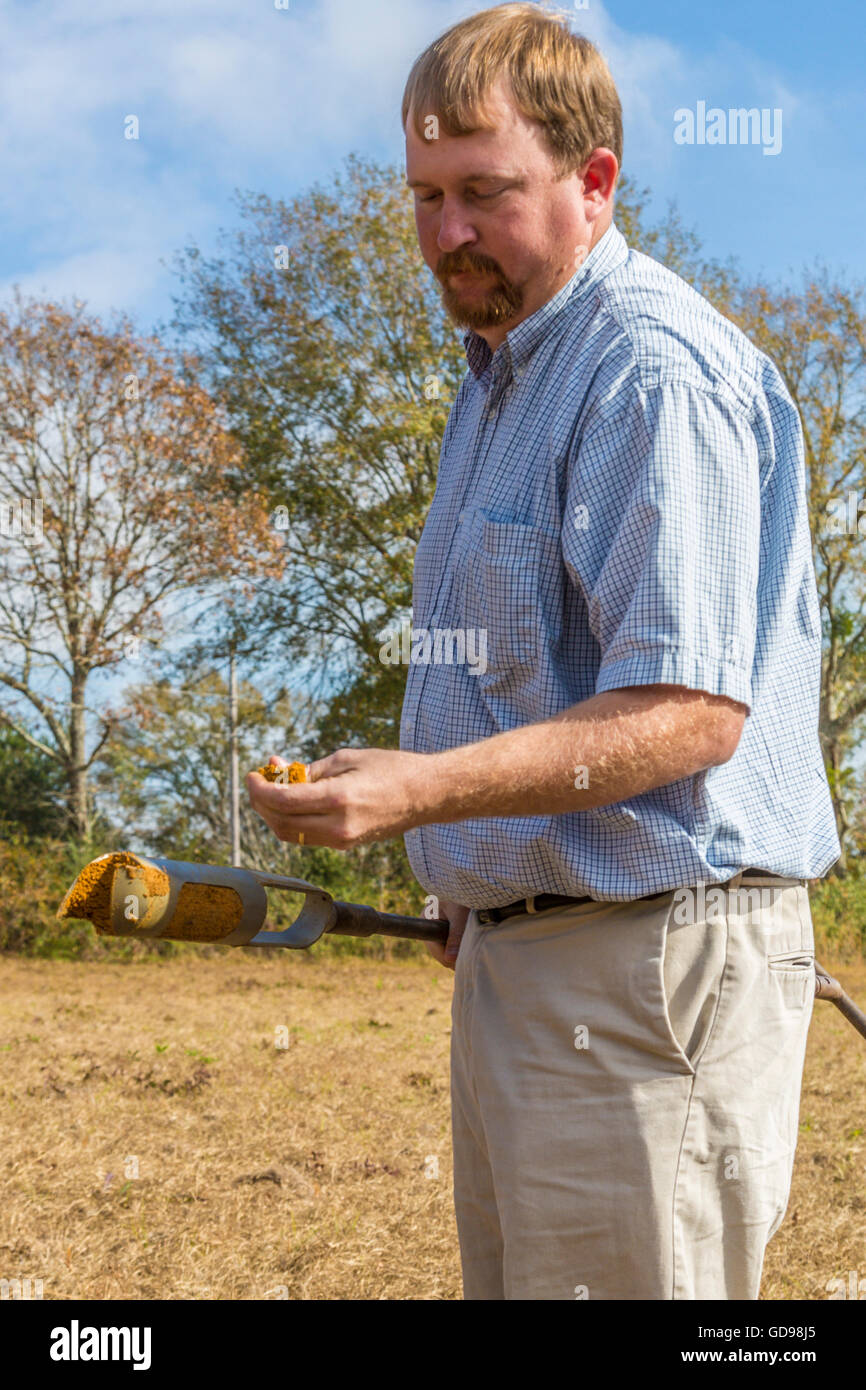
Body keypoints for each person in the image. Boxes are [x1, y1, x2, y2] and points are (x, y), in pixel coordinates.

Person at [248, 2, 840, 1299]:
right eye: (421, 195)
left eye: (484, 192)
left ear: (594, 181)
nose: (445, 231)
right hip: (533, 961)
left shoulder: (646, 369)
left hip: (645, 974)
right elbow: (538, 674)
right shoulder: (497, 378)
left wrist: (421, 790)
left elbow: (688, 712)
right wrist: (480, 875)